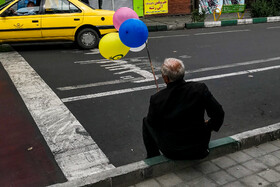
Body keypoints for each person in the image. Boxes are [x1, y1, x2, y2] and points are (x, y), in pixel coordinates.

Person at [142, 58, 225, 160]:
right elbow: (219, 113)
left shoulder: (157, 99)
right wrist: (208, 127)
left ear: (166, 79)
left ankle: (152, 156)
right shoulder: (199, 89)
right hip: (200, 147)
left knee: (146, 121)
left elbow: (153, 123)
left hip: (173, 152)